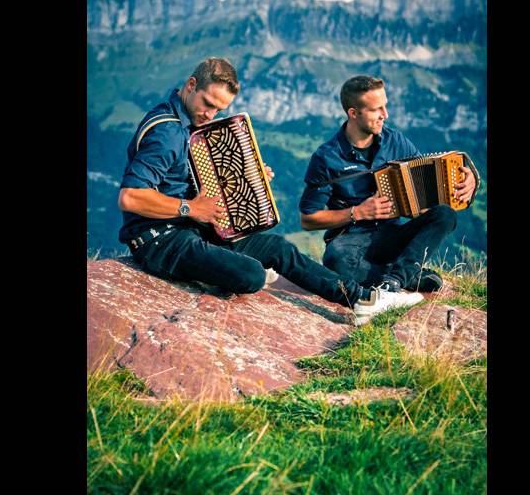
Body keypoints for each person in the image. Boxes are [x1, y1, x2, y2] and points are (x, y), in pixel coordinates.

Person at [118, 58, 423, 325]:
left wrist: (247, 177)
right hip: (159, 239)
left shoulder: (187, 123)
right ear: (191, 84)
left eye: (220, 108)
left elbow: (189, 178)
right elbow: (130, 197)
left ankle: (362, 300)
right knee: (250, 275)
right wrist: (191, 209)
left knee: (278, 248)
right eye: (208, 103)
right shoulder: (167, 132)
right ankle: (213, 266)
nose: (211, 114)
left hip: (189, 230)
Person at [299, 75, 480, 293]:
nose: (385, 115)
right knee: (335, 258)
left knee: (445, 214)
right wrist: (358, 212)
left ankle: (394, 279)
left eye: (385, 106)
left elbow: (428, 182)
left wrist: (467, 180)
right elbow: (308, 219)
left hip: (392, 236)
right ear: (353, 113)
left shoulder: (395, 141)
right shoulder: (326, 157)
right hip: (351, 242)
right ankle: (407, 277)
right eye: (377, 109)